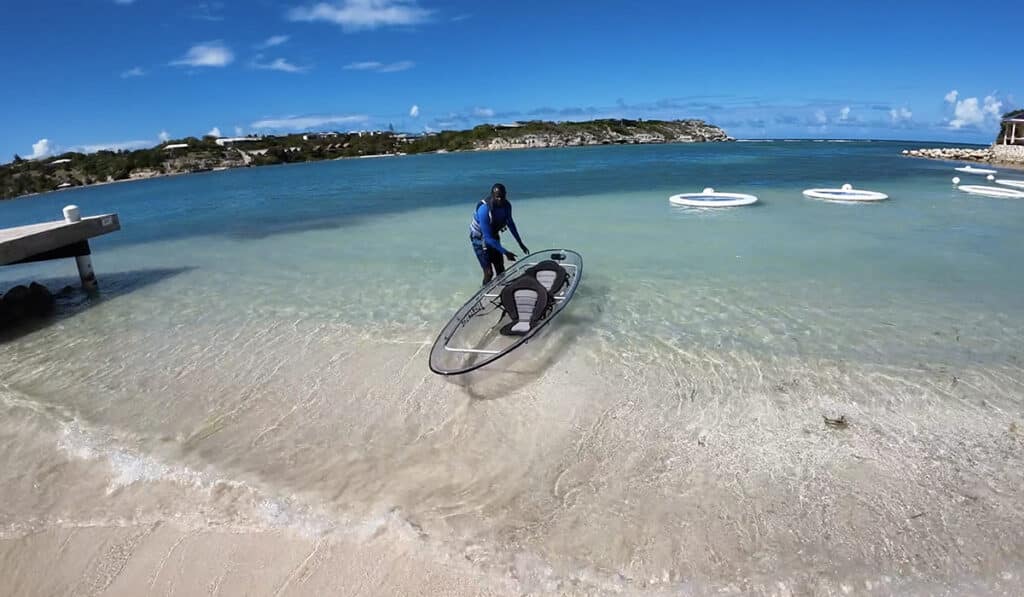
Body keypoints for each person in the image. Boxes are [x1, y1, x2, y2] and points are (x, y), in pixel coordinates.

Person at [469, 183, 529, 285]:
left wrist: (520, 243)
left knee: (501, 270)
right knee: (489, 273)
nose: (500, 199)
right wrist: (505, 252)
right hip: (480, 240)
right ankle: (482, 295)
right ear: (492, 196)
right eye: (497, 197)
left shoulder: (507, 206)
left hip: (493, 236)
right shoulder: (484, 210)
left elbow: (510, 224)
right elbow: (487, 238)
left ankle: (503, 291)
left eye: (502, 196)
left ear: (505, 195)